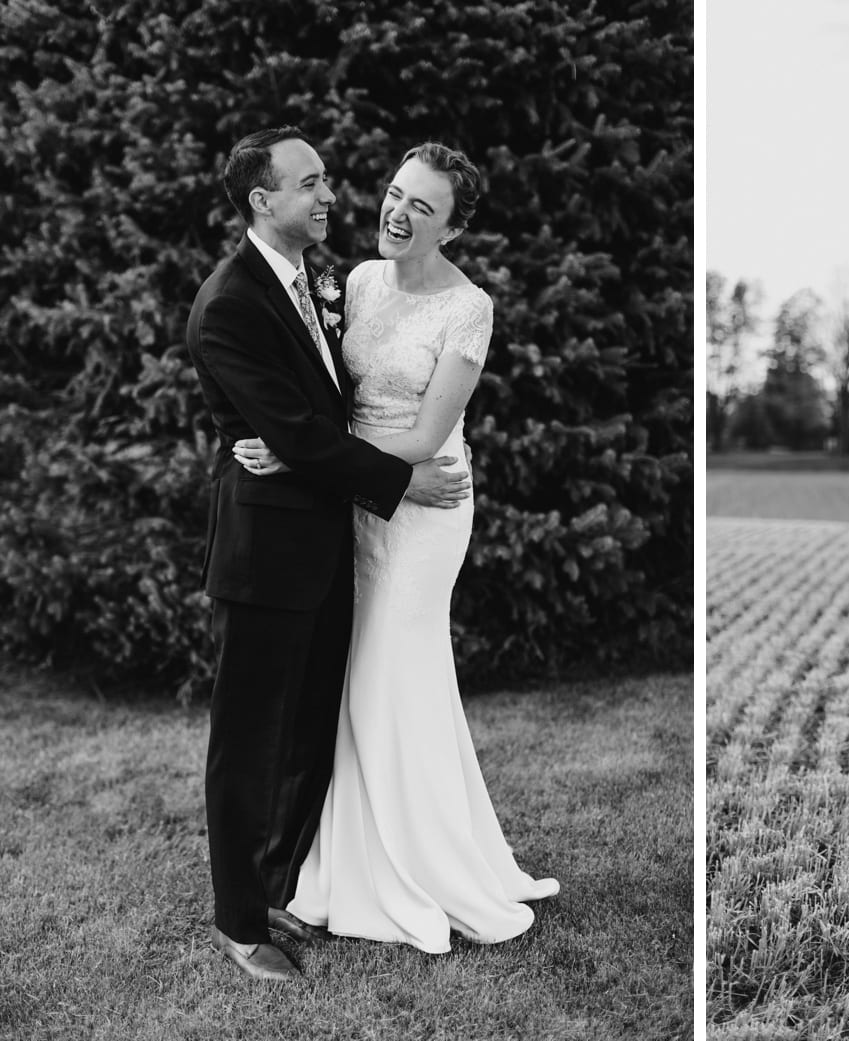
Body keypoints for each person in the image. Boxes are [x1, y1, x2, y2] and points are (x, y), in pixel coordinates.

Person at [235, 141, 558, 954]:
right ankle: (344, 863)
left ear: (450, 230)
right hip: (360, 495)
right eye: (394, 192)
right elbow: (332, 402)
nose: (398, 211)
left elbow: (423, 435)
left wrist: (330, 463)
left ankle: (422, 865)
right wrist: (291, 445)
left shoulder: (467, 308)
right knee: (357, 670)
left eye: (424, 206)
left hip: (424, 503)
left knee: (389, 665)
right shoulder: (361, 282)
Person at [186, 126, 472, 982]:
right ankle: (240, 923)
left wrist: (300, 441)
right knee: (248, 740)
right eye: (309, 184)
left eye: (326, 180)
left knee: (309, 727)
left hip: (328, 541)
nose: (330, 195)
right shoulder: (228, 303)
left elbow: (318, 414)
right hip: (266, 554)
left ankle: (279, 882)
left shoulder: (316, 278)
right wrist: (393, 477)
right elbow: (297, 426)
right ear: (261, 201)